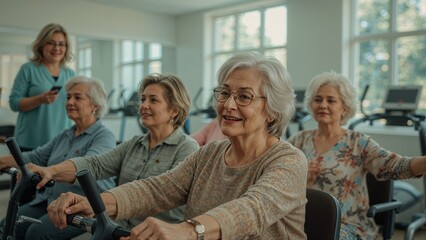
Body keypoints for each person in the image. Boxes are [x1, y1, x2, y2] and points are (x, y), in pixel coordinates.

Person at [45, 52, 308, 240]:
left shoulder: (288, 161)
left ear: (272, 110)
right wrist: (94, 203)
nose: (228, 104)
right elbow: (156, 189)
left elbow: (251, 209)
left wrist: (188, 230)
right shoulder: (210, 154)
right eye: (225, 93)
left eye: (244, 97)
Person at [27, 73, 199, 231]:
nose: (144, 106)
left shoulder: (187, 148)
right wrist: (51, 171)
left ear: (174, 110)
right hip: (118, 228)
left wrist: (94, 203)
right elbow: (95, 164)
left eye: (153, 100)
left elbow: (160, 193)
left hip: (154, 233)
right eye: (143, 99)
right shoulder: (134, 144)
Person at [287, 71, 426, 240]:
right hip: (303, 221)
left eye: (330, 100)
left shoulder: (357, 143)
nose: (323, 105)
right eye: (318, 99)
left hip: (349, 226)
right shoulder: (298, 141)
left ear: (344, 108)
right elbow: (280, 179)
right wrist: (302, 178)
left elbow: (395, 165)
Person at [0, 76, 116, 240]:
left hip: (81, 206)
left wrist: (50, 171)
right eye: (68, 97)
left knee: (35, 234)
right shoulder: (65, 134)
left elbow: (89, 168)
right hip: (49, 200)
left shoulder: (104, 137)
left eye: (77, 97)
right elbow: (35, 157)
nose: (70, 102)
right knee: (6, 225)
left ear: (95, 106)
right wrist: (3, 161)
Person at [9, 23, 76, 151]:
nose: (57, 48)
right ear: (41, 45)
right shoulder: (28, 69)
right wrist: (39, 99)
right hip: (30, 142)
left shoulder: (70, 74)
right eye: (51, 43)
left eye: (61, 44)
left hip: (61, 143)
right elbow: (14, 103)